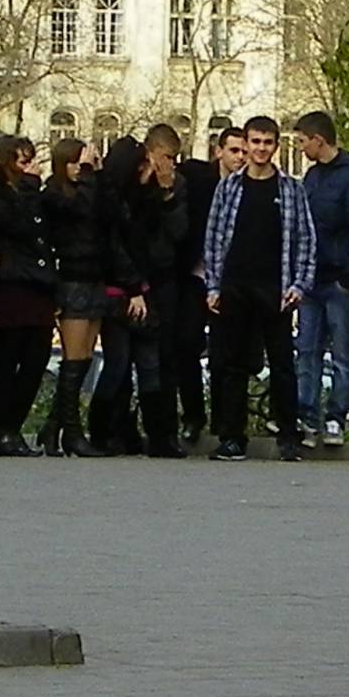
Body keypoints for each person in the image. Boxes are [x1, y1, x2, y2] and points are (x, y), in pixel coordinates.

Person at [204, 115, 316, 462]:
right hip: (235, 285)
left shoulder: (291, 189)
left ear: (276, 146)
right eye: (255, 142)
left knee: (282, 364)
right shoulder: (229, 187)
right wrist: (213, 285)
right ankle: (232, 438)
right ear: (247, 144)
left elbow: (306, 239)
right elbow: (213, 237)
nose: (261, 149)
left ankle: (288, 436)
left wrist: (299, 284)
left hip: (276, 288)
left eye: (268, 142)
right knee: (232, 364)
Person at [89, 126, 189, 458]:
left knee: (153, 363)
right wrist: (134, 287)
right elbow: (117, 246)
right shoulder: (116, 197)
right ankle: (108, 431)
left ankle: (160, 434)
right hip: (123, 288)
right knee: (119, 363)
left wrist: (166, 194)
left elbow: (177, 233)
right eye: (164, 157)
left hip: (154, 282)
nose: (166, 165)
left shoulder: (160, 191)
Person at [294, 110, 349, 448]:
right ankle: (307, 416)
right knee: (307, 351)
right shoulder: (312, 177)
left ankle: (335, 418)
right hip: (311, 280)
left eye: (302, 141)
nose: (300, 148)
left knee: (341, 354)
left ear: (319, 140)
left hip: (338, 282)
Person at [0, 137, 56, 457]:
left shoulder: (34, 194)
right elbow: (14, 223)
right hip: (10, 284)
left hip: (39, 284)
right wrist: (29, 186)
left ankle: (14, 425)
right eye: (22, 161)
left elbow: (43, 229)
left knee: (36, 360)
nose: (30, 167)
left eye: (31, 160)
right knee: (5, 360)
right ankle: (3, 429)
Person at [175, 126, 247, 445]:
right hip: (196, 276)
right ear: (219, 151)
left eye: (244, 151)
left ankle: (223, 421)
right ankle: (192, 416)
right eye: (234, 150)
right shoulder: (198, 179)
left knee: (224, 354)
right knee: (186, 345)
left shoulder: (249, 186)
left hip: (231, 282)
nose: (240, 157)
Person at [40, 137, 106, 457]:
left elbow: (106, 215)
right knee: (73, 357)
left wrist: (99, 177)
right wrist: (90, 176)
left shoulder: (91, 188)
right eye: (75, 163)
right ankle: (72, 431)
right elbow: (80, 211)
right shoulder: (53, 194)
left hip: (95, 276)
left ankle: (54, 426)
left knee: (85, 358)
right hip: (71, 278)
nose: (81, 168)